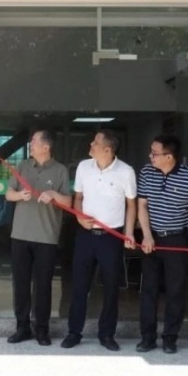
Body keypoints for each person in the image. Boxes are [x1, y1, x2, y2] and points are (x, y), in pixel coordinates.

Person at [135, 134, 188, 354]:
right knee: (149, 290)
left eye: (155, 153)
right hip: (151, 238)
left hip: (176, 239)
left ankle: (170, 338)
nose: (150, 156)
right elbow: (142, 205)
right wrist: (146, 235)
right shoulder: (146, 172)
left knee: (175, 290)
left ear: (169, 156)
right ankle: (147, 337)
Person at [60, 129, 137, 351]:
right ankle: (74, 332)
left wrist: (129, 233)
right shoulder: (84, 167)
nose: (91, 145)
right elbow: (78, 197)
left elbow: (131, 205)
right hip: (85, 236)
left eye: (95, 143)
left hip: (111, 237)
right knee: (79, 286)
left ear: (107, 149)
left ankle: (107, 335)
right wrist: (79, 217)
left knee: (111, 288)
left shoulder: (126, 172)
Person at [4, 130, 71, 347]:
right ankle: (22, 328)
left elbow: (68, 203)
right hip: (20, 235)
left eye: (34, 141)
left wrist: (53, 194)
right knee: (21, 284)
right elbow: (8, 193)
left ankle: (42, 329)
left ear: (46, 147)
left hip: (46, 237)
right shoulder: (23, 166)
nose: (30, 144)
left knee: (43, 286)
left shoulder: (60, 170)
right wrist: (19, 195)